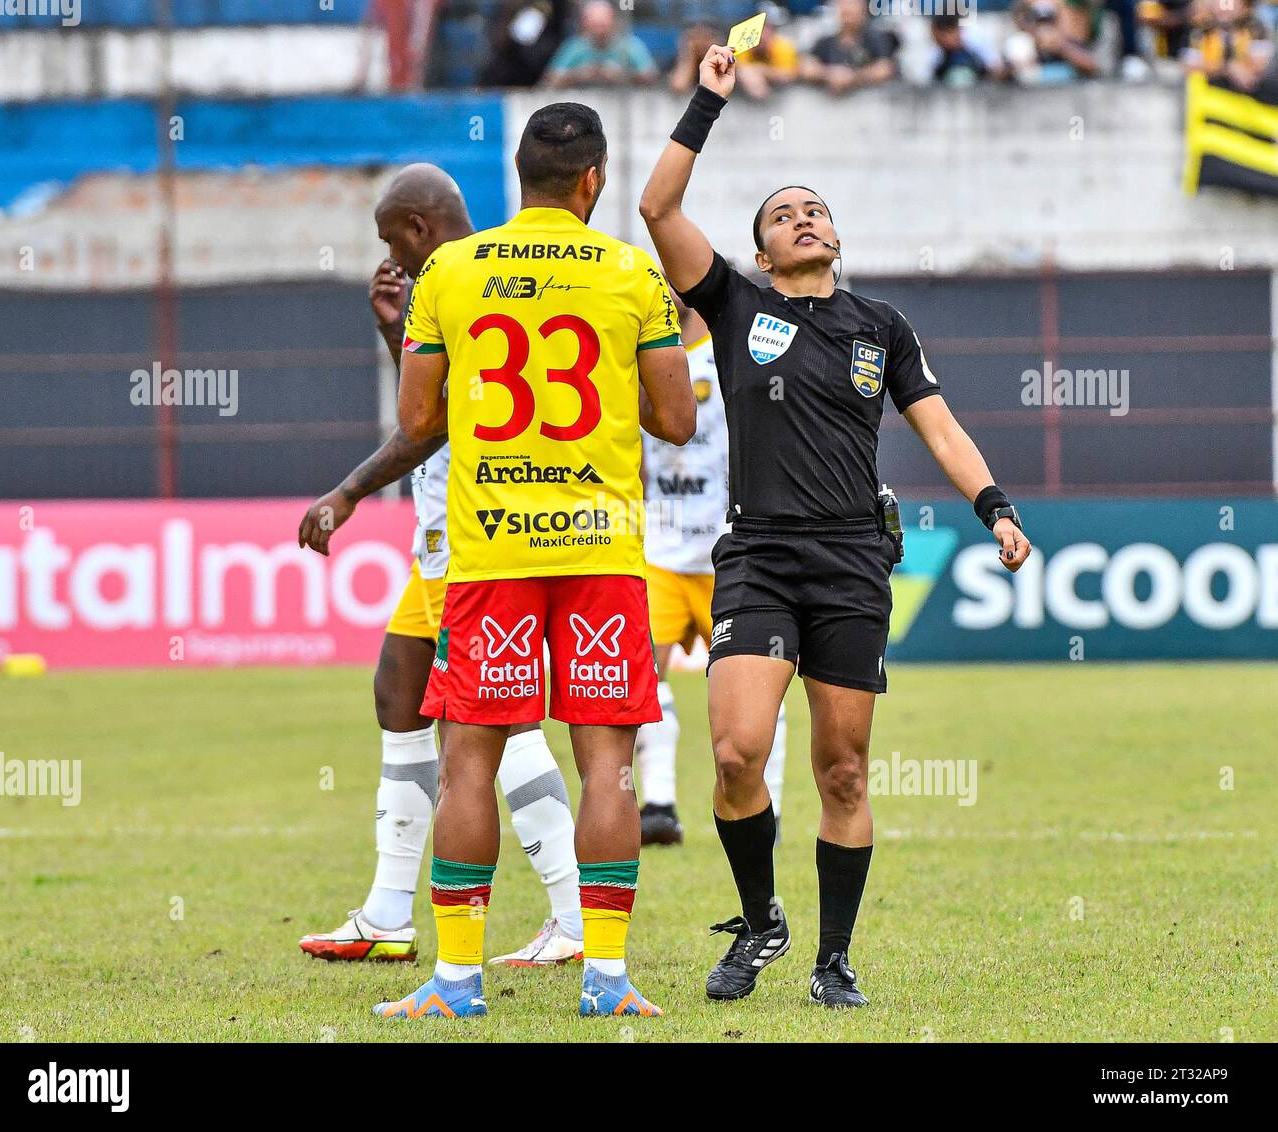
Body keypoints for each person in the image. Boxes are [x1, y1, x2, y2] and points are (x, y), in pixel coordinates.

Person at [639, 46, 1033, 1008]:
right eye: (784, 213)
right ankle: (762, 919)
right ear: (763, 252)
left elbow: (938, 426)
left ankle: (833, 959)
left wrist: (998, 508)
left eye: (817, 208)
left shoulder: (881, 326)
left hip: (855, 559)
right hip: (760, 556)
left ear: (836, 237)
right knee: (736, 751)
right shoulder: (735, 306)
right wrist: (708, 102)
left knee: (843, 770)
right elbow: (657, 209)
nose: (805, 217)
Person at [375, 103, 695, 1021]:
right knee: (609, 763)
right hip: (599, 549)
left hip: (491, 551)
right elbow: (675, 422)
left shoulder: (450, 270)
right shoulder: (635, 273)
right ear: (593, 181)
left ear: (519, 176)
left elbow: (418, 423)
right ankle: (606, 980)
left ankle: (457, 984)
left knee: (470, 757)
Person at [296, 164, 584, 971]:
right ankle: (388, 913)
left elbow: (438, 424)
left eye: (393, 239)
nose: (390, 253)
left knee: (497, 719)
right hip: (443, 534)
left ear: (419, 229)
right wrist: (395, 329)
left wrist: (347, 492)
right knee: (399, 693)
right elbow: (434, 401)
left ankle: (572, 914)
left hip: (480, 530)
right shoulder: (464, 279)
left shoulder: (470, 277)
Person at [636, 287, 787, 847]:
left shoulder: (733, 352)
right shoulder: (646, 356)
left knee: (758, 687)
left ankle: (766, 808)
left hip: (732, 547)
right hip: (661, 551)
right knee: (641, 678)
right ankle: (658, 805)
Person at [542, 0, 658, 88]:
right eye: (595, 26)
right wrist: (578, 75)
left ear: (613, 22)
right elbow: (551, 79)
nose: (599, 31)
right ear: (585, 24)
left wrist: (621, 75)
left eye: (603, 26)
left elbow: (651, 76)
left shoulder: (629, 45)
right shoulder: (574, 47)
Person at [800, 0, 898, 95]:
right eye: (843, 3)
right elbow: (807, 66)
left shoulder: (877, 37)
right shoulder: (826, 41)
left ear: (863, 8)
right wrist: (828, 73)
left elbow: (885, 68)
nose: (847, 7)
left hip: (870, 105)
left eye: (852, 3)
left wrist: (853, 76)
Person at [480, 0, 571, 89]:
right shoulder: (514, 13)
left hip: (536, 71)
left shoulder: (554, 12)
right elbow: (502, 41)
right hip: (509, 73)